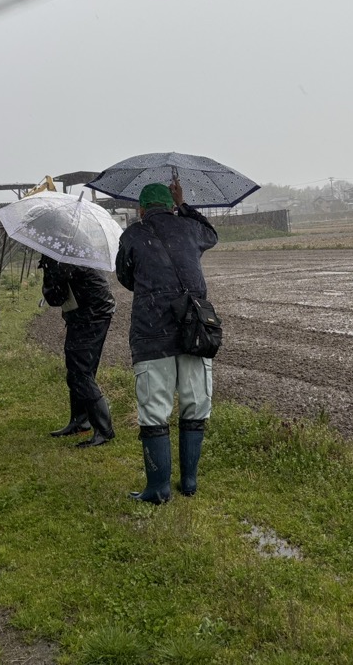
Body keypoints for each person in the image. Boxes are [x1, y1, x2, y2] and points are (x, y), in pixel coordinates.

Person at [115, 180, 218, 502]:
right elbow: (212, 235)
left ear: (141, 209)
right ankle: (189, 483)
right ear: (170, 204)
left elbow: (124, 276)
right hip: (195, 328)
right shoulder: (189, 228)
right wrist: (183, 205)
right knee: (195, 403)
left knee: (154, 409)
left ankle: (158, 488)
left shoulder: (132, 235)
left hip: (151, 330)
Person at [37, 254, 116, 447]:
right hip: (87, 311)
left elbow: (55, 296)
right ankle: (80, 421)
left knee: (80, 372)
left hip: (91, 314)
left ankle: (104, 430)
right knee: (78, 370)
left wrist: (48, 269)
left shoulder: (61, 255)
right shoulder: (66, 248)